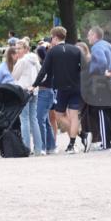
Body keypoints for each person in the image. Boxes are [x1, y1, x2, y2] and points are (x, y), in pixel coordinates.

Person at [34, 26, 85, 154]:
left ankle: (81, 136)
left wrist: (35, 84)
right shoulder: (76, 50)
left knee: (59, 116)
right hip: (76, 86)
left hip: (62, 88)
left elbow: (44, 70)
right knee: (73, 116)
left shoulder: (52, 51)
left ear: (55, 37)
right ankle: (74, 143)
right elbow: (84, 67)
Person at [87, 26, 111, 150]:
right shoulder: (108, 45)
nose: (88, 37)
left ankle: (105, 143)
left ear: (94, 35)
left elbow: (101, 62)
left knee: (102, 112)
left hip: (100, 82)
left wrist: (103, 72)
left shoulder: (96, 47)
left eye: (89, 35)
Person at [11, 40, 43, 155]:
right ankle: (38, 148)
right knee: (33, 119)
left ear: (25, 49)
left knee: (24, 120)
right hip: (34, 90)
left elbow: (14, 76)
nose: (17, 51)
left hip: (23, 91)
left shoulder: (22, 61)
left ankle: (26, 148)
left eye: (19, 48)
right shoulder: (34, 59)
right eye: (16, 48)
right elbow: (41, 74)